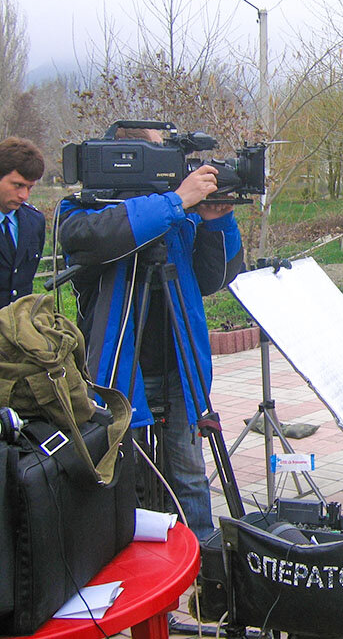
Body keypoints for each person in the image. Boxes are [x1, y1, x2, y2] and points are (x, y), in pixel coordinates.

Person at [58, 127, 244, 540]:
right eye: (154, 153)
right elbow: (93, 238)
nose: (166, 164)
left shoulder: (178, 214)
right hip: (121, 376)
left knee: (191, 475)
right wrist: (176, 201)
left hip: (180, 367)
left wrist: (217, 222)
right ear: (121, 154)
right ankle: (140, 570)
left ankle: (202, 567)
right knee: (128, 477)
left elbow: (212, 279)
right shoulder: (83, 210)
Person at [0, 137, 45, 308]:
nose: (24, 195)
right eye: (17, 185)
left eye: (29, 187)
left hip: (18, 327)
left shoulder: (35, 222)